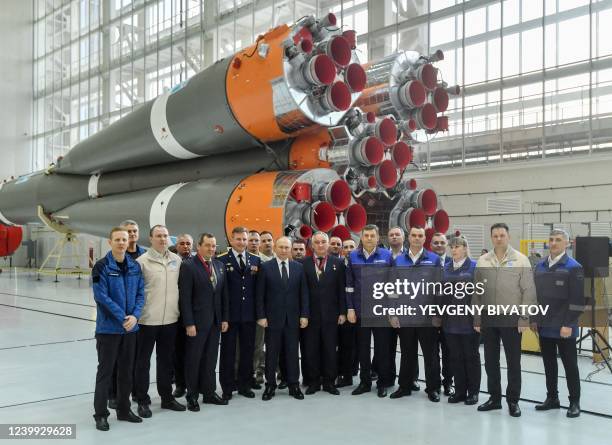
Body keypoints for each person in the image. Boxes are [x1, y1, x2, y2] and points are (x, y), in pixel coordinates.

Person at [474, 223, 537, 418]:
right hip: (488, 317)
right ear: (491, 238)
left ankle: (513, 400)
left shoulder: (521, 259)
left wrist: (524, 317)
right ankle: (494, 398)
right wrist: (477, 317)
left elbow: (529, 291)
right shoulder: (483, 261)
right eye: (495, 236)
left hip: (512, 318)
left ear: (508, 236)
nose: (499, 238)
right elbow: (477, 292)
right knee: (490, 361)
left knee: (513, 362)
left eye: (502, 235)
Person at [92, 227, 145, 431]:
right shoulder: (102, 266)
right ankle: (100, 414)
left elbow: (141, 293)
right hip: (108, 330)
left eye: (124, 239)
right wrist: (123, 317)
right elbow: (101, 296)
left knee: (126, 372)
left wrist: (135, 316)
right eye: (118, 239)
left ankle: (124, 410)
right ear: (110, 242)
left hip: (130, 329)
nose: (122, 242)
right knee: (105, 372)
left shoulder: (134, 266)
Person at [133, 225, 186, 417]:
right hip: (147, 321)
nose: (163, 239)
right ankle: (142, 400)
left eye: (165, 236)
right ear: (150, 239)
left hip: (170, 320)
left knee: (166, 362)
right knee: (142, 362)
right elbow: (136, 292)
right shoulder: (142, 262)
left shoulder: (176, 260)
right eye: (158, 236)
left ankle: (167, 398)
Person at [533, 229, 584, 418]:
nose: (553, 243)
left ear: (567, 243)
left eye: (558, 240)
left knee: (570, 365)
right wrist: (534, 319)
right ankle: (552, 398)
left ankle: (574, 402)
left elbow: (578, 300)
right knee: (549, 365)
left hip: (564, 326)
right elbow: (535, 297)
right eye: (551, 240)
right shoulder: (540, 266)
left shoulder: (574, 267)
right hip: (545, 325)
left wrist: (568, 324)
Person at [179, 233, 229, 411]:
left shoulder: (219, 265)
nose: (211, 249)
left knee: (210, 358)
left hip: (215, 322)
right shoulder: (189, 266)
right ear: (198, 246)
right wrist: (189, 323)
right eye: (208, 245)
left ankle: (209, 393)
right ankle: (192, 395)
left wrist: (224, 318)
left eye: (214, 246)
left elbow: (223, 296)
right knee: (194, 359)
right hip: (197, 324)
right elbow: (184, 298)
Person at [392, 226, 443, 402]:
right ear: (408, 238)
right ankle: (404, 386)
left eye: (420, 235)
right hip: (405, 315)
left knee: (431, 355)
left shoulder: (434, 260)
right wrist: (393, 313)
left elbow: (439, 290)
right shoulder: (398, 260)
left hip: (428, 317)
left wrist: (438, 314)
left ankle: (433, 388)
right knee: (407, 353)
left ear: (424, 239)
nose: (416, 238)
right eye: (413, 235)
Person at [256, 237, 309, 401]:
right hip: (272, 319)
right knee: (272, 353)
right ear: (275, 248)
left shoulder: (298, 268)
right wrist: (261, 316)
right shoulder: (265, 267)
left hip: (293, 319)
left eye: (287, 247)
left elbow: (304, 294)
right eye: (281, 247)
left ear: (291, 249)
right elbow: (260, 295)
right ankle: (270, 385)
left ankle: (294, 384)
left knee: (293, 353)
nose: (284, 250)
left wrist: (304, 315)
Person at [346, 224, 394, 398]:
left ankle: (382, 383)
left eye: (372, 235)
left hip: (381, 312)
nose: (369, 238)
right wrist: (350, 308)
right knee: (363, 349)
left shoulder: (387, 256)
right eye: (365, 235)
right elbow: (349, 286)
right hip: (360, 312)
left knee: (382, 349)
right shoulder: (352, 256)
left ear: (377, 237)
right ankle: (365, 382)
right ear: (362, 237)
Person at [218, 227, 261, 400]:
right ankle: (227, 387)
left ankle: (244, 384)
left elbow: (258, 290)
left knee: (247, 351)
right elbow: (221, 292)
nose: (242, 242)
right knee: (228, 352)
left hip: (249, 315)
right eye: (239, 239)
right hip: (230, 315)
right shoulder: (221, 260)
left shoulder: (256, 260)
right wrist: (223, 316)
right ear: (231, 239)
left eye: (245, 239)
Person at [107, 219, 146, 410]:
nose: (131, 235)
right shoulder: (113, 258)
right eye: (128, 232)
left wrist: (136, 315)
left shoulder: (144, 256)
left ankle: (137, 393)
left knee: (136, 359)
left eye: (134, 231)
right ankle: (113, 394)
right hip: (118, 320)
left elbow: (142, 290)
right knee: (116, 359)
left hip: (139, 318)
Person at [302, 232, 346, 395]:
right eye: (317, 242)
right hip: (311, 316)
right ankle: (313, 382)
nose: (320, 245)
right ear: (312, 245)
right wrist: (304, 314)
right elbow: (303, 292)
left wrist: (342, 312)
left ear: (328, 244)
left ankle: (329, 382)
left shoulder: (338, 263)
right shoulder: (304, 263)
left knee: (330, 349)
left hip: (332, 315)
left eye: (323, 242)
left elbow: (341, 290)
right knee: (311, 349)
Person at [439, 236, 480, 405]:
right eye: (452, 247)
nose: (454, 250)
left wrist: (478, 318)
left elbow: (480, 295)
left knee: (471, 357)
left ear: (465, 248)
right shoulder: (446, 268)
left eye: (457, 247)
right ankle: (460, 391)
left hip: (469, 322)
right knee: (455, 357)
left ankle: (474, 392)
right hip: (450, 322)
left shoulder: (474, 266)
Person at [430, 232, 454, 396]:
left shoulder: (455, 264)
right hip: (429, 317)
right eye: (436, 242)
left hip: (449, 318)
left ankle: (448, 383)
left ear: (447, 245)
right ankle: (434, 385)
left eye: (442, 242)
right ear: (431, 245)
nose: (439, 245)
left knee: (448, 353)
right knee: (431, 354)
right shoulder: (426, 263)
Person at [173, 234, 194, 398]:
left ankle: (194, 382)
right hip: (176, 315)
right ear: (176, 245)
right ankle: (180, 384)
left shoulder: (196, 262)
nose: (185, 246)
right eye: (182, 244)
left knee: (193, 352)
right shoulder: (173, 262)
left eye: (188, 244)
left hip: (194, 314)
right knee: (178, 352)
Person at [253, 231, 274, 385]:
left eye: (269, 240)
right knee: (258, 344)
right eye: (264, 240)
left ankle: (278, 369)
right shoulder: (255, 261)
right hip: (261, 311)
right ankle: (259, 371)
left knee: (276, 342)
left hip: (277, 309)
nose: (267, 243)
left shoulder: (281, 258)